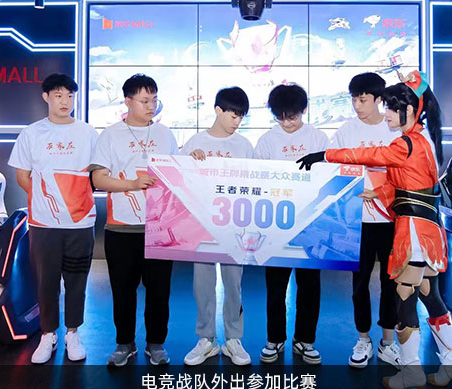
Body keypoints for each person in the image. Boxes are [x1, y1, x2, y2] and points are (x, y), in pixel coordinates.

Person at [297, 70, 452, 389]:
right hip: (426, 230)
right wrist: (381, 192)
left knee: (405, 297)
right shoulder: (422, 141)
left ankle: (412, 371)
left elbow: (370, 156)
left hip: (413, 232)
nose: (386, 114)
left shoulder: (405, 143)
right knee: (430, 294)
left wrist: (323, 155)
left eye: (391, 108)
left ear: (409, 110)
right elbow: (411, 185)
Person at [8, 73, 97, 364]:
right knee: (45, 281)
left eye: (70, 96)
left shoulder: (88, 133)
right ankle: (48, 334)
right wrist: (48, 200)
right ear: (46, 97)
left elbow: (98, 174)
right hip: (44, 223)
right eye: (58, 96)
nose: (65, 101)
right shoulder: (31, 133)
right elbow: (22, 175)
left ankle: (73, 333)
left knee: (76, 280)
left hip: (80, 222)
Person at [91, 74, 177, 366]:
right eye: (144, 100)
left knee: (159, 293)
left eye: (154, 99)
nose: (151, 105)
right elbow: (98, 179)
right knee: (122, 292)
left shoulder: (165, 134)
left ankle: (156, 344)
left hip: (160, 228)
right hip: (121, 228)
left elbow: (178, 176)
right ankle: (124, 343)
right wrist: (132, 184)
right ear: (127, 101)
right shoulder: (110, 135)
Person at [254, 84, 329, 364]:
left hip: (311, 225)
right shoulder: (266, 141)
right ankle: (274, 339)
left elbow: (329, 178)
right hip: (276, 226)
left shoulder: (318, 138)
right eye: (280, 117)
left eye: (292, 117)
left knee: (310, 286)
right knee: (275, 286)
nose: (286, 123)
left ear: (304, 110)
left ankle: (305, 340)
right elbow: (255, 180)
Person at [331, 73, 401, 369]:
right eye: (354, 100)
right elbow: (332, 168)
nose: (357, 106)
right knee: (359, 283)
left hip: (389, 218)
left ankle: (388, 341)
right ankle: (363, 339)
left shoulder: (394, 129)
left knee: (390, 280)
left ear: (379, 100)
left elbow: (403, 173)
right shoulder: (346, 130)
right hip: (355, 221)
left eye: (363, 100)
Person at [181, 87, 254, 366]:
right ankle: (206, 339)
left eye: (241, 117)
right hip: (201, 224)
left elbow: (255, 184)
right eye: (233, 115)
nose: (237, 122)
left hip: (235, 225)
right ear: (218, 110)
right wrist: (190, 160)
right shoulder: (195, 142)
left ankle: (234, 339)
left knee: (234, 284)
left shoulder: (244, 145)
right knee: (203, 284)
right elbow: (180, 179)